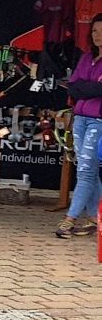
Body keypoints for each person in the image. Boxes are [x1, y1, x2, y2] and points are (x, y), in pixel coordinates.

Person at [57, 14, 102, 239]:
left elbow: (81, 88)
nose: (97, 36)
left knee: (85, 172)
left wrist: (86, 88)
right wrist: (91, 87)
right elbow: (73, 88)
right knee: (89, 171)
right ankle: (95, 217)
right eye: (94, 31)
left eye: (101, 31)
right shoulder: (86, 57)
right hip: (81, 118)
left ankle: (70, 219)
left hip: (98, 121)